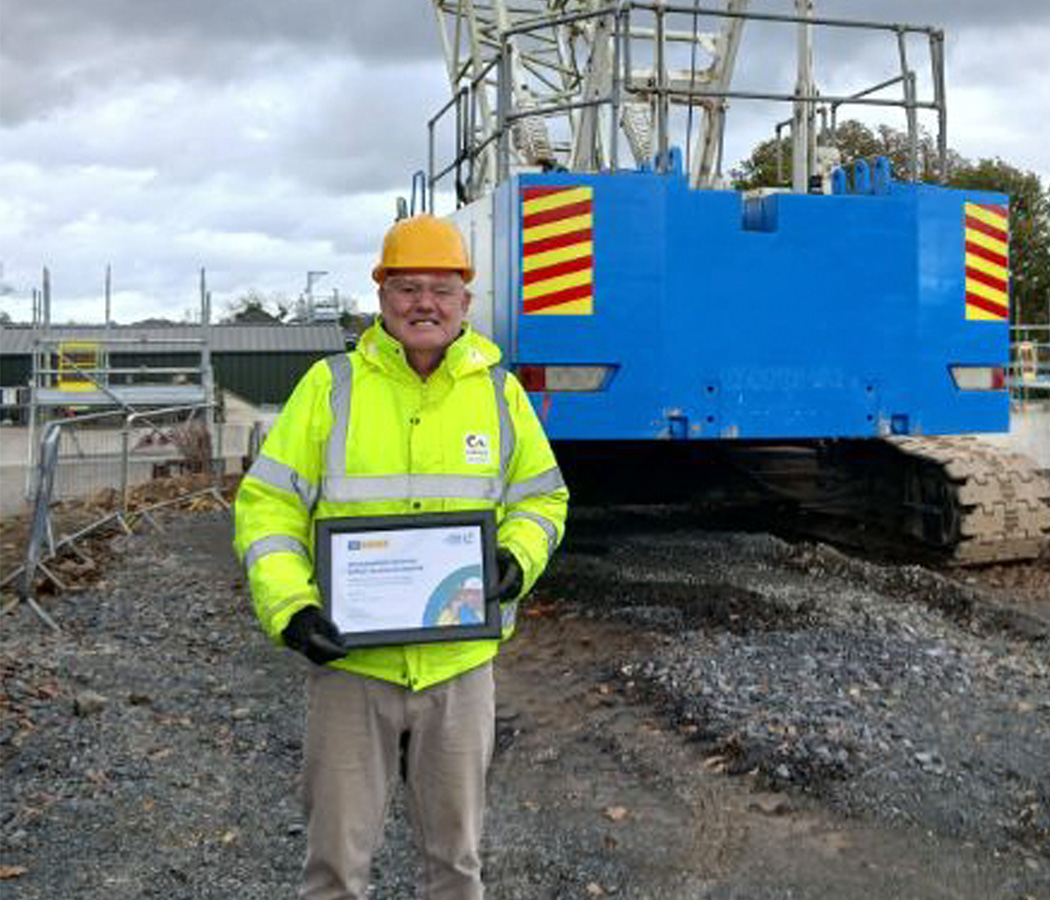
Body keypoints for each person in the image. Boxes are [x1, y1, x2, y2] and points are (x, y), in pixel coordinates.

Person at [233, 214, 569, 899]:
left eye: (442, 289)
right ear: (382, 297)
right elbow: (267, 508)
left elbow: (543, 501)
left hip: (459, 670)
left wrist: (515, 557)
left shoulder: (499, 393)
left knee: (456, 865)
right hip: (352, 669)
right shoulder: (329, 388)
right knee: (334, 868)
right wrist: (291, 608)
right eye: (408, 287)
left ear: (465, 303)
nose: (425, 303)